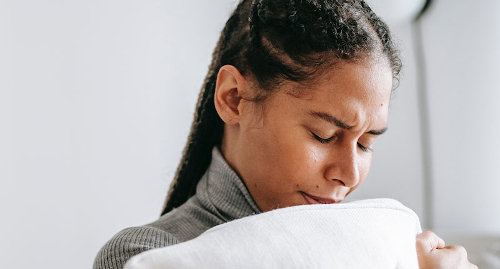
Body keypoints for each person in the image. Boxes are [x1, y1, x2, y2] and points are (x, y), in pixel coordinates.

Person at [93, 0, 476, 268]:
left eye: (365, 143)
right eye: (323, 135)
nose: (350, 174)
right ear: (234, 98)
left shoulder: (378, 247)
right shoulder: (144, 255)